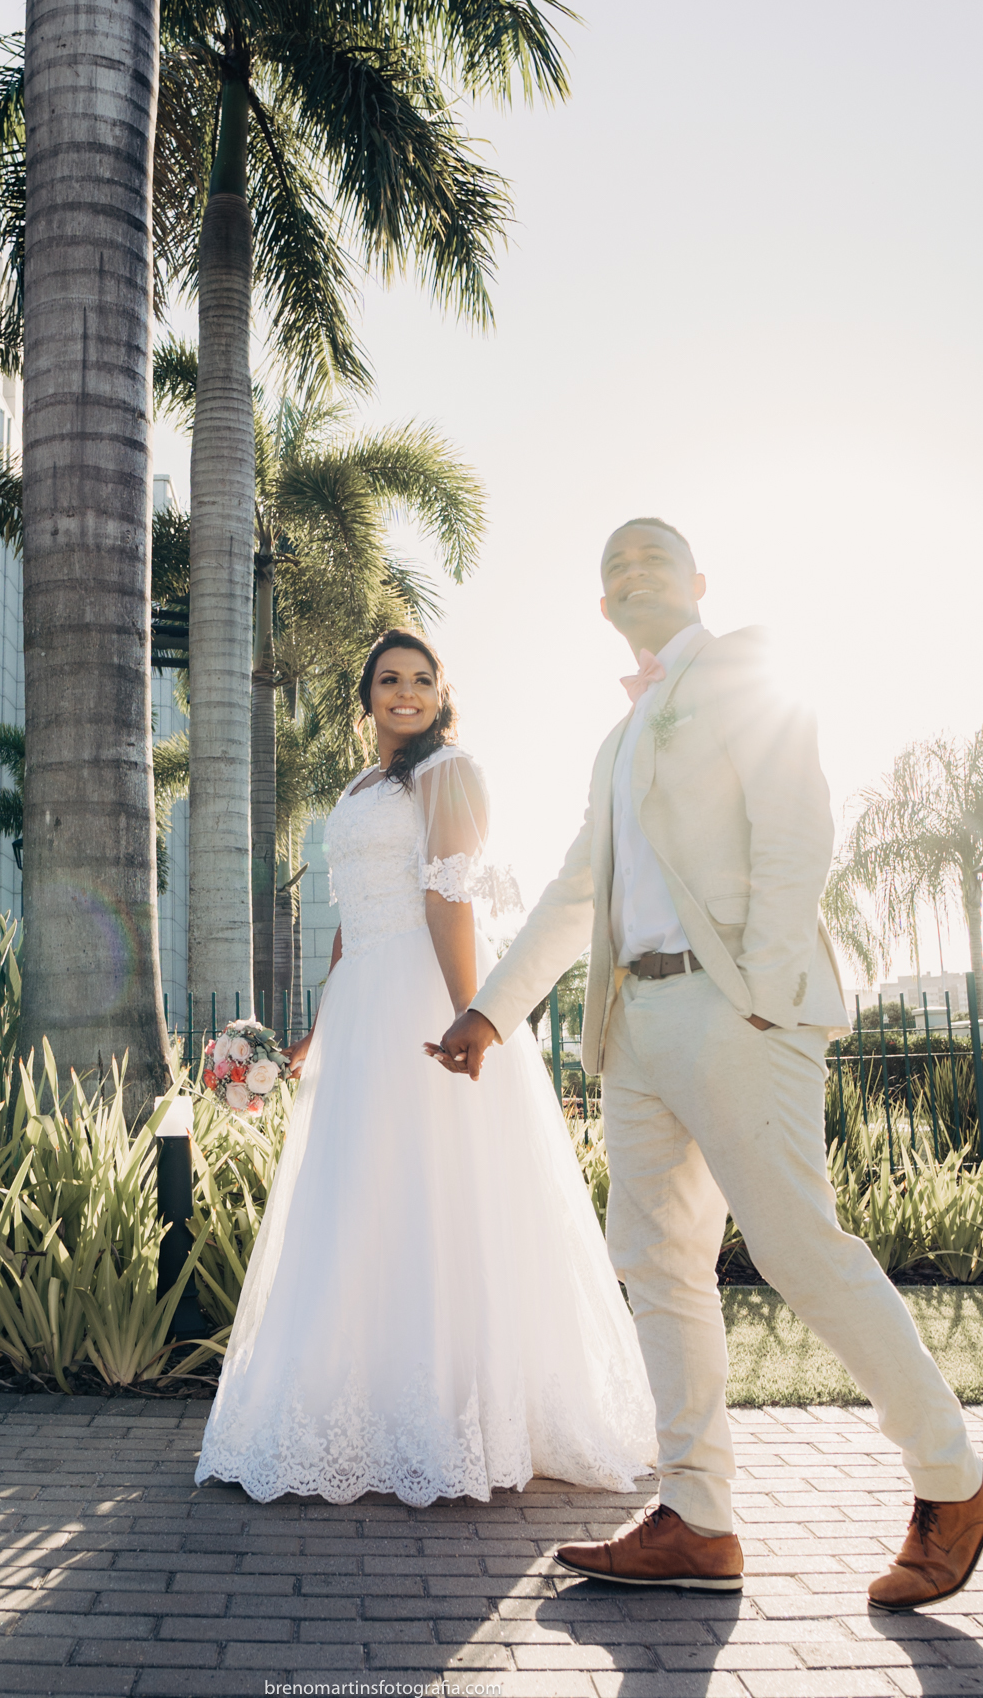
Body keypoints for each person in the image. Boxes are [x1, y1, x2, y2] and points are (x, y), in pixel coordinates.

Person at [433, 520, 983, 1609]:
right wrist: (493, 1013)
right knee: (657, 1263)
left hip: (735, 1011)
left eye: (652, 557)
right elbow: (572, 891)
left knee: (800, 1252)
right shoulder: (614, 741)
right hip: (633, 1023)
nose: (632, 573)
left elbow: (795, 835)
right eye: (613, 568)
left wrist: (766, 994)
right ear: (602, 608)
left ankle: (952, 1480)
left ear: (697, 582)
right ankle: (698, 1516)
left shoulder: (746, 676)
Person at [195, 629, 656, 1506]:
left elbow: (450, 897)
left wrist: (466, 1017)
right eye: (388, 680)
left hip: (422, 995)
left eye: (420, 680)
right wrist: (311, 1038)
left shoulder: (449, 772)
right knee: (359, 1195)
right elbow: (346, 924)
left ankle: (460, 1414)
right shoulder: (364, 785)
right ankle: (362, 1417)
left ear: (442, 693)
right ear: (365, 696)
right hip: (363, 999)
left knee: (439, 1188)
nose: (404, 692)